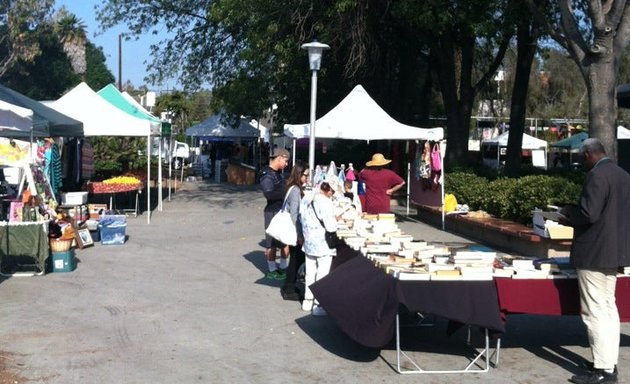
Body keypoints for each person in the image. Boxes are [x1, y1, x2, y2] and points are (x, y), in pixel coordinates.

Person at [559, 138, 630, 384]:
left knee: (595, 312)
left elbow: (589, 213)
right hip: (615, 251)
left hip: (594, 252)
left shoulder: (597, 176)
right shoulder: (622, 175)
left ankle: (603, 371)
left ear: (589, 153)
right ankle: (608, 363)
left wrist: (567, 214)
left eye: (582, 157)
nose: (581, 161)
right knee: (609, 309)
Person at [300, 182, 338, 316]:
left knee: (310, 272)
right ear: (329, 190)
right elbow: (331, 227)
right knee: (322, 273)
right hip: (322, 243)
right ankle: (318, 304)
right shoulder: (326, 203)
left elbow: (301, 217)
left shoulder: (307, 198)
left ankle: (307, 300)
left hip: (309, 240)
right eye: (332, 191)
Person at [259, 148, 290, 280]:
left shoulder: (278, 173)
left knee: (285, 241)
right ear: (279, 158)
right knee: (271, 242)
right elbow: (269, 194)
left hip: (281, 211)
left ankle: (283, 268)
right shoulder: (267, 174)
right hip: (272, 211)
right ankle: (272, 269)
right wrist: (286, 192)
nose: (287, 164)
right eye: (286, 161)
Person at [280, 161, 308, 301]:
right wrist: (299, 235)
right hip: (294, 230)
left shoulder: (291, 187)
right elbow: (294, 214)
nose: (307, 178)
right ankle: (289, 287)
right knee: (296, 259)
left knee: (296, 259)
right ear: (299, 174)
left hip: (294, 230)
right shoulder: (295, 190)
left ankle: (289, 285)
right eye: (305, 175)